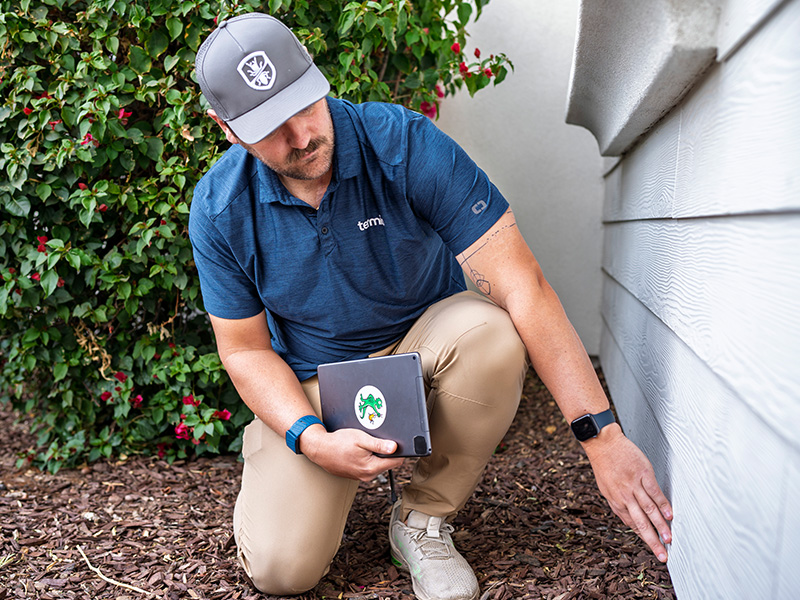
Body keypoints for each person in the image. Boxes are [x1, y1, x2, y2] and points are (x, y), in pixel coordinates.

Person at [188, 12, 673, 600]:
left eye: (305, 106)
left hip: (425, 349)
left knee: (491, 333)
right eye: (270, 128)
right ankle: (288, 475)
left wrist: (602, 439)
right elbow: (243, 351)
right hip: (315, 380)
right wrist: (310, 438)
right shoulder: (219, 208)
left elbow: (523, 285)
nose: (302, 136)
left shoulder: (403, 143)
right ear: (228, 128)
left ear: (318, 78)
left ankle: (422, 520)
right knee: (282, 572)